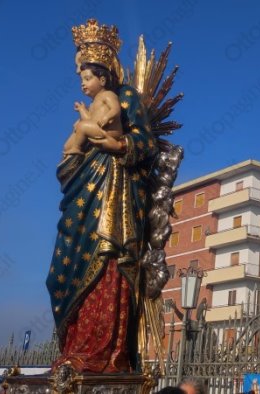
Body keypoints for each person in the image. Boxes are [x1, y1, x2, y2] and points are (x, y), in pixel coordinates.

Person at [47, 19, 159, 374]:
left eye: (88, 73)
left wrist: (115, 143)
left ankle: (103, 353)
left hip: (113, 193)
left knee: (108, 259)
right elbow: (71, 152)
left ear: (105, 72)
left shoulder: (124, 98)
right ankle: (74, 349)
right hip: (84, 192)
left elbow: (146, 143)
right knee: (67, 265)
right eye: (80, 73)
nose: (82, 81)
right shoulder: (93, 106)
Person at [63, 62, 123, 155]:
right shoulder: (92, 104)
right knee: (67, 146)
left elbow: (116, 109)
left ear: (102, 80)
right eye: (82, 81)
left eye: (87, 79)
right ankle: (71, 150)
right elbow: (89, 120)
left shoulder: (108, 94)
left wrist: (107, 117)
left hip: (109, 131)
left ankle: (76, 148)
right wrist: (82, 109)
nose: (83, 84)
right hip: (96, 130)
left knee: (81, 126)